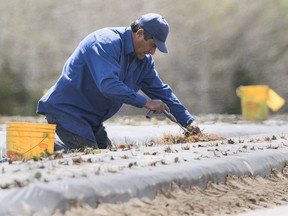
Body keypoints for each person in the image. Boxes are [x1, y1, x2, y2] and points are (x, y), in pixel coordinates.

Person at [37, 13, 200, 152]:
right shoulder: (104, 43)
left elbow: (162, 92)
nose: (152, 52)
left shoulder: (144, 62)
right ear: (140, 33)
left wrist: (189, 122)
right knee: (89, 157)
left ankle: (42, 147)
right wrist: (146, 102)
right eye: (153, 45)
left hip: (92, 118)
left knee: (107, 154)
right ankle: (36, 148)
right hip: (67, 111)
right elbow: (108, 85)